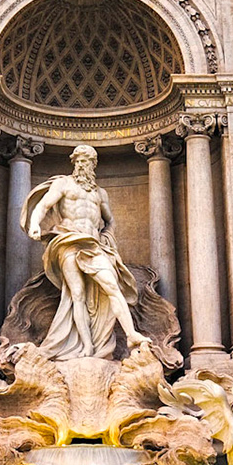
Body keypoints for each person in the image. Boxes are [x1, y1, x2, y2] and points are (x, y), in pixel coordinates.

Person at [22, 144, 152, 359]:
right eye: (79, 161)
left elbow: (110, 221)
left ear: (94, 164)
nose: (83, 164)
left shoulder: (100, 193)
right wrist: (35, 224)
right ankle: (87, 347)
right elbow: (44, 206)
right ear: (74, 163)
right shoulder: (63, 184)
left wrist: (107, 238)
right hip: (68, 242)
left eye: (87, 161)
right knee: (77, 295)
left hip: (93, 245)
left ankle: (131, 334)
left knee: (112, 286)